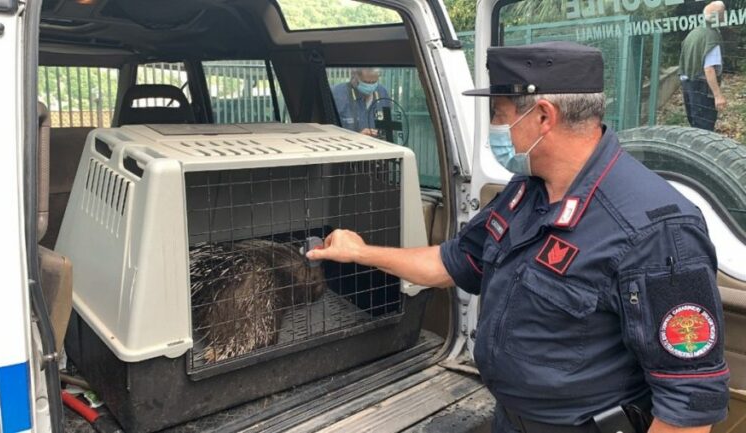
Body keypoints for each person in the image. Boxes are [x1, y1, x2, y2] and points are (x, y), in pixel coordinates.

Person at [309, 42, 729, 433]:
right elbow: (450, 262)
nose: (495, 127)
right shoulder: (527, 190)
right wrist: (360, 252)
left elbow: (688, 402)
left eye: (499, 114)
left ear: (543, 116)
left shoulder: (655, 227)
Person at [679, 1, 727, 131]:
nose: (725, 16)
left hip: (688, 86)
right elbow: (709, 69)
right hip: (702, 88)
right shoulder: (711, 36)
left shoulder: (693, 33)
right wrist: (718, 95)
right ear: (717, 16)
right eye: (723, 13)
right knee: (705, 128)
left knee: (695, 126)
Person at [331, 68, 390, 137]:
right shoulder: (338, 94)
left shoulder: (382, 92)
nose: (370, 86)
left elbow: (388, 127)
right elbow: (329, 131)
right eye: (366, 82)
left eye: (374, 82)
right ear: (354, 78)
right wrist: (357, 137)